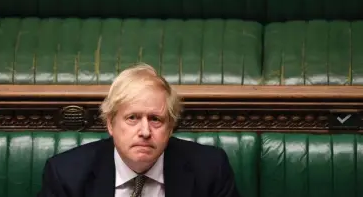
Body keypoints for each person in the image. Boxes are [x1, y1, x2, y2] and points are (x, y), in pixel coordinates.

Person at [37, 63, 240, 197]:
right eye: (132, 118)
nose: (145, 131)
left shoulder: (211, 170)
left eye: (155, 119)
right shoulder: (65, 175)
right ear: (110, 124)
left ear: (170, 128)